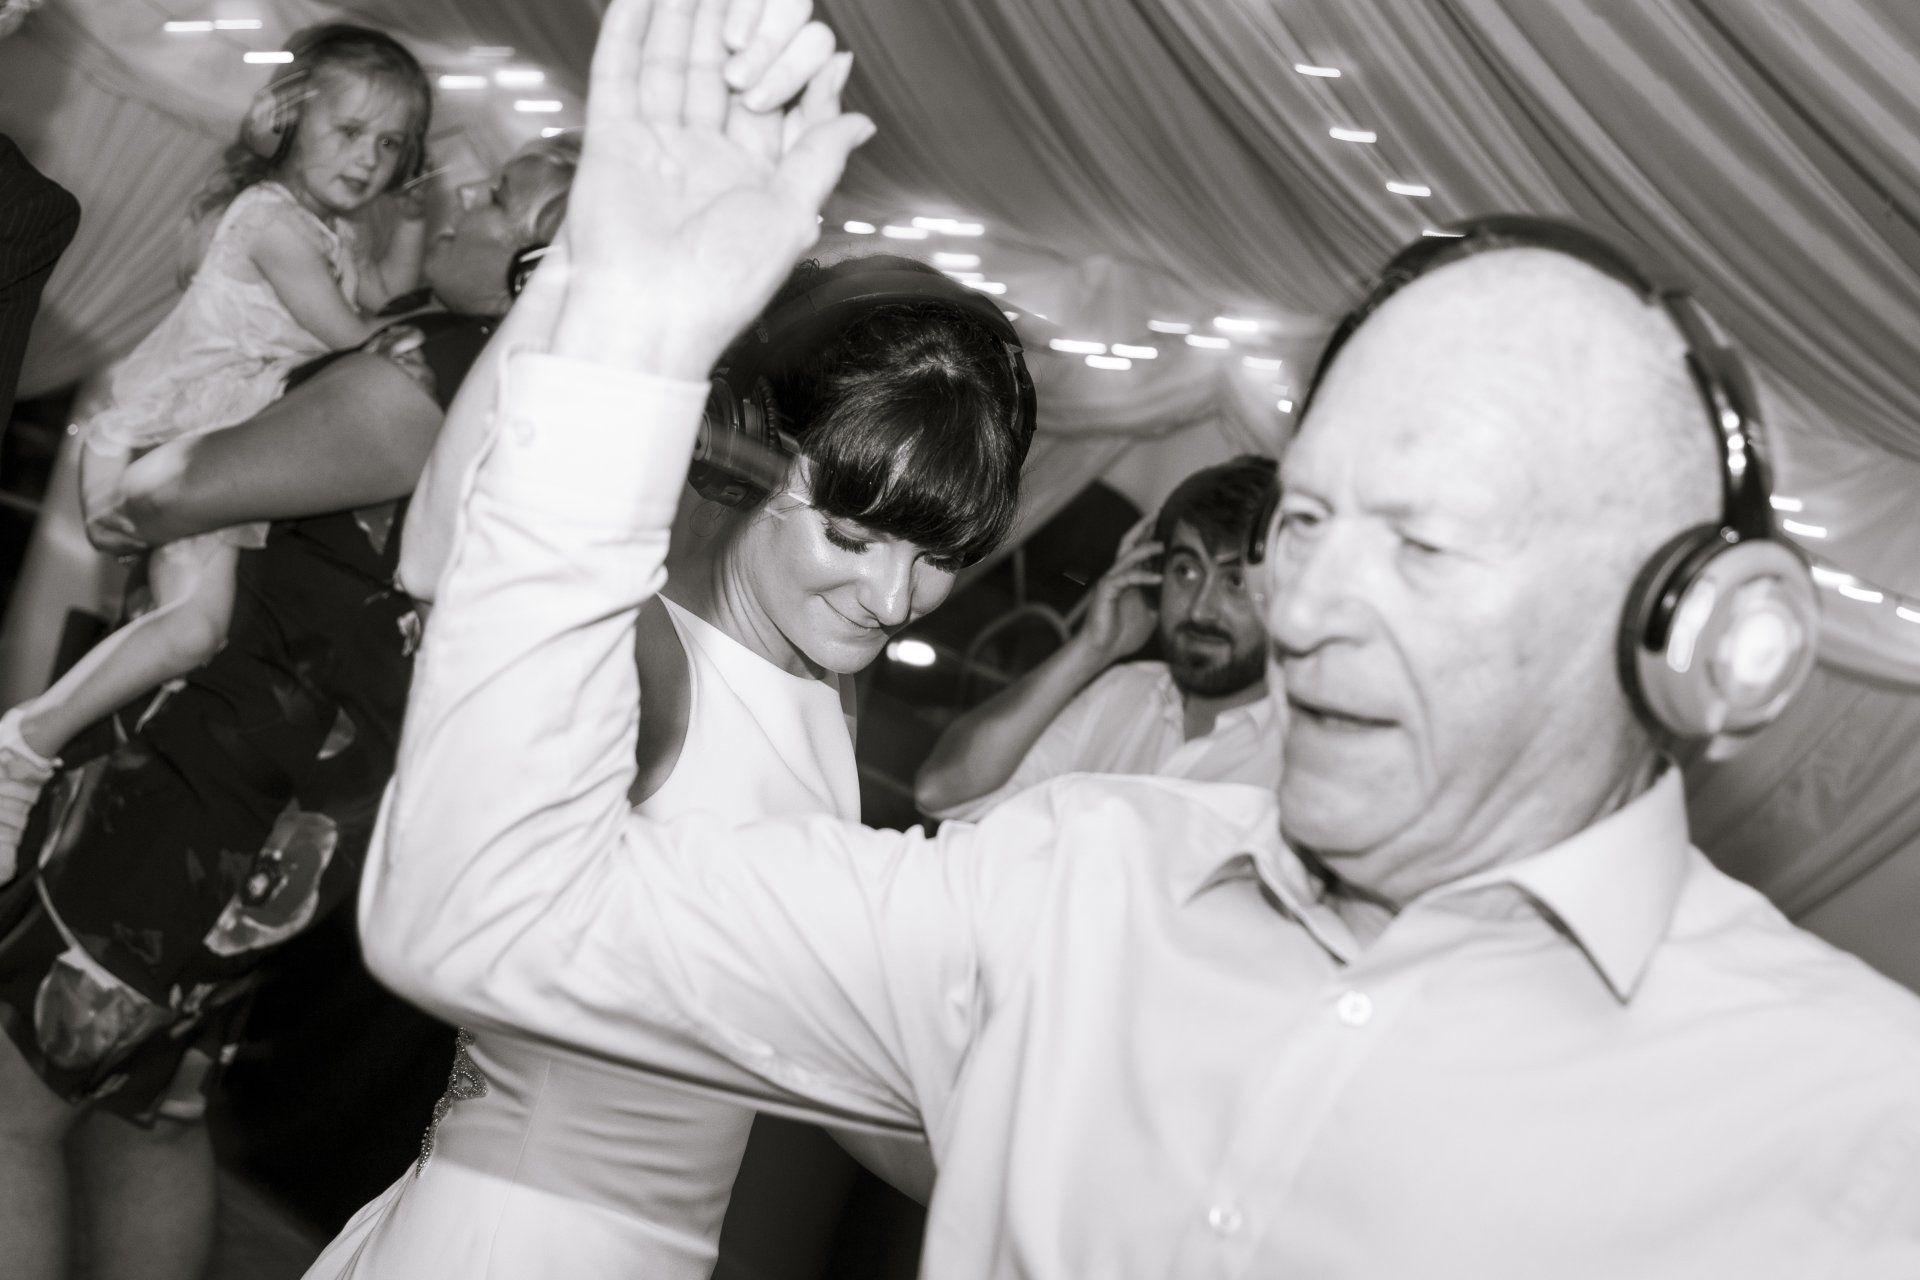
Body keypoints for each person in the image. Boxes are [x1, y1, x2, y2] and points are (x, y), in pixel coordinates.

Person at [359, 1, 1920, 1276]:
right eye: (1301, 523)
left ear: (1704, 633)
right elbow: (481, 912)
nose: (1299, 608)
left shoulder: (1851, 1118)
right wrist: (624, 322)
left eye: (1422, 543)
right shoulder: (1076, 887)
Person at [310, 106, 1031, 1280]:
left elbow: (791, 1044)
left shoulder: (813, 687)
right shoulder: (649, 658)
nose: (896, 595)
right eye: (852, 531)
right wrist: (599, 272)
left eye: (940, 553)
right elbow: (447, 553)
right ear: (752, 445)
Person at [0, 130, 579, 1280]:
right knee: (146, 1110)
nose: (455, 208)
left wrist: (129, 461)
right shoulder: (548, 404)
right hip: (300, 812)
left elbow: (168, 495)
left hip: (208, 783)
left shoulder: (443, 370)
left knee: (9, 1102)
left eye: (493, 196)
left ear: (539, 252)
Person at [0, 23, 434, 875]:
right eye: (350, 132)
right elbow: (350, 329)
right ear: (283, 119)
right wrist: (411, 343)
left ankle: (44, 759)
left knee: (187, 637)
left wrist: (412, 228)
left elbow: (385, 295)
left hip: (200, 440)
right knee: (193, 633)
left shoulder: (328, 232)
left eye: (391, 144)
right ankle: (25, 746)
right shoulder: (271, 220)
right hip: (168, 434)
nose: (371, 159)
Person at [916, 454, 1278, 821]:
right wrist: (1091, 649)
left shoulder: (1305, 754)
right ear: (1152, 573)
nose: (1200, 610)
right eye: (1185, 570)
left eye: (1235, 581)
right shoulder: (1125, 691)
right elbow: (941, 791)